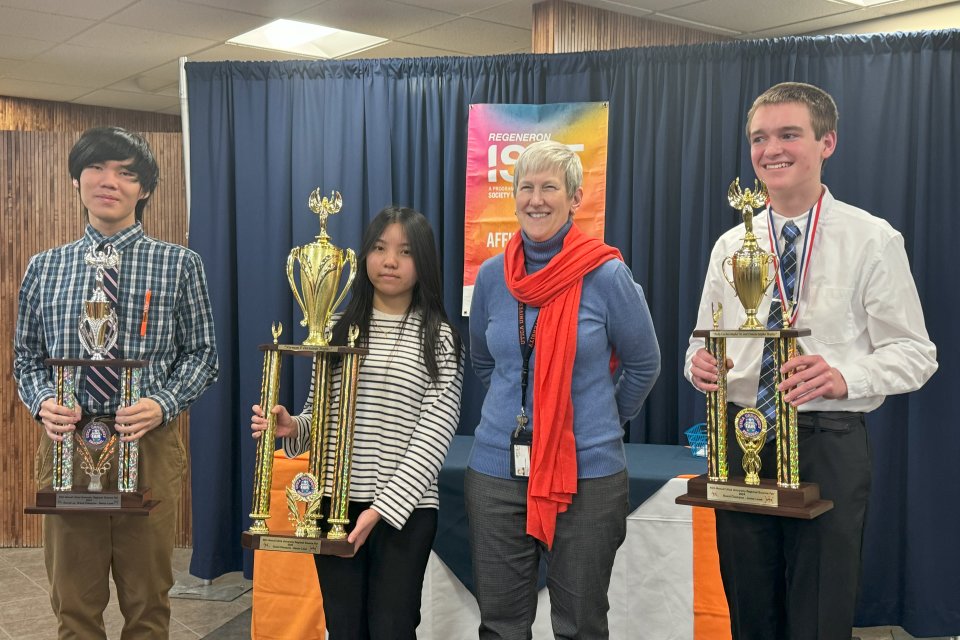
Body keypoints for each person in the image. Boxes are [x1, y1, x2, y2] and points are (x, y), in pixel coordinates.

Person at [685, 82, 938, 639]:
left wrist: (844, 376)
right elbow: (701, 342)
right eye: (759, 138)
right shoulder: (732, 245)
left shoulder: (871, 239)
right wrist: (699, 364)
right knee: (750, 609)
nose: (770, 150)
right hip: (742, 437)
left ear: (828, 143)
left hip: (827, 440)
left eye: (788, 135)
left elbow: (917, 354)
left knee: (819, 614)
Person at [13, 126, 219, 639]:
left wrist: (163, 403)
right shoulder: (45, 268)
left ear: (144, 189)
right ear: (76, 179)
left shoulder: (179, 265)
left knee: (148, 601)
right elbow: (26, 358)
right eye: (97, 168)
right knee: (73, 604)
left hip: (147, 443)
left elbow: (202, 355)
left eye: (126, 173)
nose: (110, 181)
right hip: (67, 445)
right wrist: (43, 401)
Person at [466, 140, 661, 639]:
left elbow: (644, 364)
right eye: (526, 187)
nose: (536, 199)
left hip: (588, 475)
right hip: (496, 472)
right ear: (513, 197)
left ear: (575, 198)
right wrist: (523, 412)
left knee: (580, 627)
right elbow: (485, 362)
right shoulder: (491, 277)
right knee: (501, 626)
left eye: (549, 187)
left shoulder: (607, 275)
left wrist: (598, 421)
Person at [250, 206, 464, 640]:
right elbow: (321, 414)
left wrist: (381, 510)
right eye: (380, 248)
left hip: (405, 513)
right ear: (364, 256)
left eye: (406, 252)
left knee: (392, 628)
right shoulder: (334, 327)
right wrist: (293, 428)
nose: (390, 261)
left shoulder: (440, 338)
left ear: (424, 261)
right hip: (333, 504)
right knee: (344, 628)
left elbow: (434, 436)